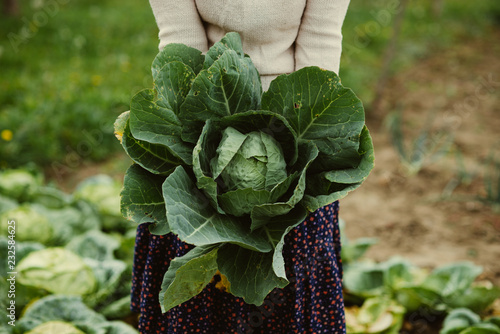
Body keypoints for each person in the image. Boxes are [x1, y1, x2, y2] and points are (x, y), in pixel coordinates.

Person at [131, 1, 351, 333]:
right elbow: (182, 46)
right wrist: (207, 156)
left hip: (294, 126)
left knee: (286, 288)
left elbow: (319, 43)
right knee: (195, 272)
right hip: (206, 124)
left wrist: (288, 163)